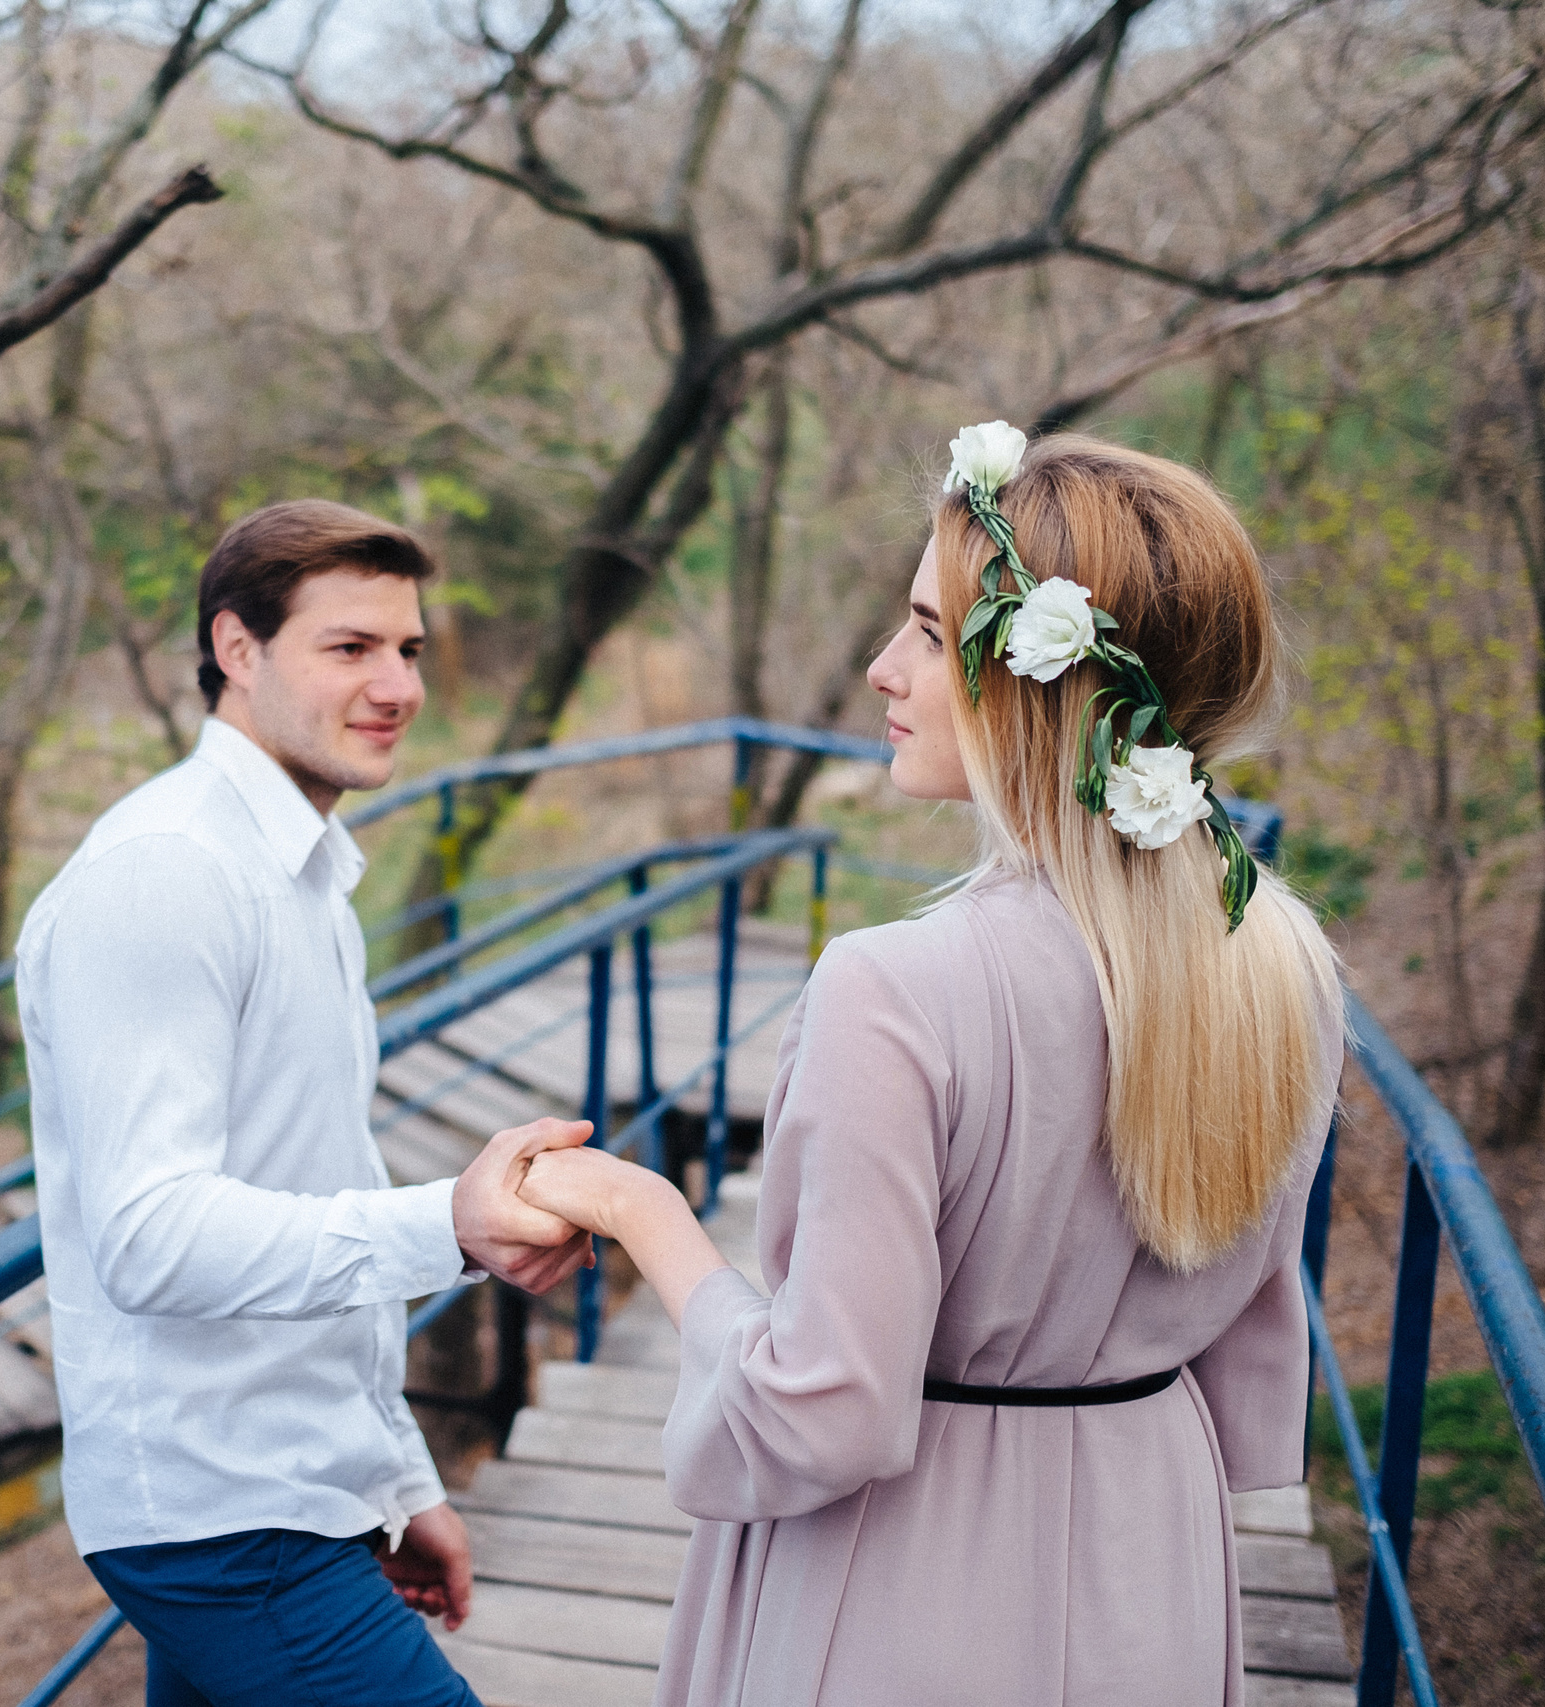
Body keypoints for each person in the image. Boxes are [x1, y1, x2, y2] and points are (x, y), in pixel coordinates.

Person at [518, 428, 1347, 1707]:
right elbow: (1250, 1344)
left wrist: (646, 1214)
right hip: (1151, 1555)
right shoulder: (1282, 961)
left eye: (923, 628)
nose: (879, 667)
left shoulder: (888, 989)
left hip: (909, 1579)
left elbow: (823, 1411)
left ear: (1036, 676)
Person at [14, 498, 591, 1707]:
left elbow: (302, 1186)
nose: (396, 685)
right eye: (349, 648)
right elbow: (150, 1236)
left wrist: (392, 1473)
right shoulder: (169, 873)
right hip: (221, 1517)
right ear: (237, 650)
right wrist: (451, 1223)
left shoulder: (306, 875)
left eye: (409, 650)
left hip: (293, 1485)